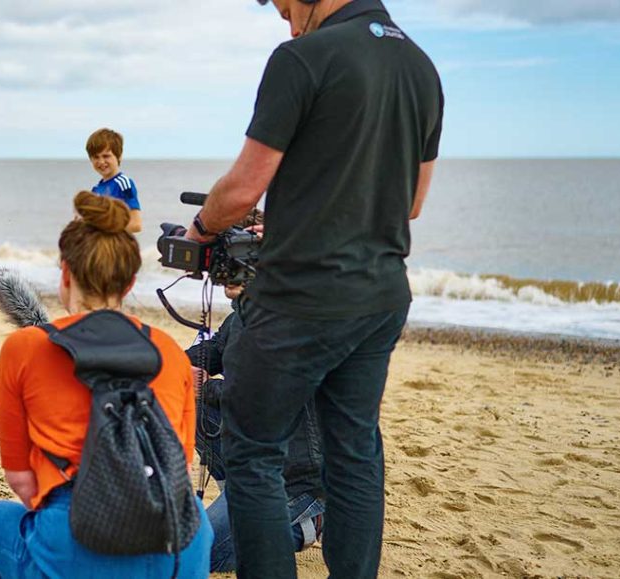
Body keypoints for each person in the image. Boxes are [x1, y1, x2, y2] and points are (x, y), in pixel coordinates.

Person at [185, 1, 443, 577]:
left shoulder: (301, 58)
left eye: (284, 8)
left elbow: (243, 189)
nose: (287, 21)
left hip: (302, 300)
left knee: (254, 453)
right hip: (380, 295)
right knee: (354, 454)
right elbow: (411, 202)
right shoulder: (421, 66)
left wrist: (200, 230)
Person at [0, 192, 213, 578]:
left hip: (76, 529)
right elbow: (181, 461)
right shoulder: (169, 351)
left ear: (65, 274)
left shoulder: (24, 347)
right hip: (179, 540)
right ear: (130, 283)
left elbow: (20, 480)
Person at [187, 224, 325, 573]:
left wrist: (204, 386)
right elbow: (210, 352)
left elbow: (257, 396)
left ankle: (304, 525)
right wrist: (166, 363)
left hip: (293, 480)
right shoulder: (243, 314)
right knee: (186, 397)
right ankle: (234, 495)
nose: (226, 270)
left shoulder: (297, 320)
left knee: (200, 555)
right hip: (253, 463)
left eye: (239, 260)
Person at [86, 128, 143, 233]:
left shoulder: (124, 184)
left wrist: (103, 229)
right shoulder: (95, 190)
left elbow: (136, 225)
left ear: (119, 156)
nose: (101, 161)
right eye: (96, 157)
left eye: (106, 156)